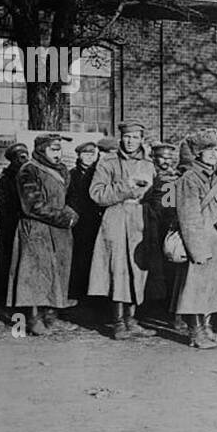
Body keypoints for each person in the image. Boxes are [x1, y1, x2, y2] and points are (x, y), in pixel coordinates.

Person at [88, 120, 156, 340]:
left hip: (139, 220)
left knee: (138, 270)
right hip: (116, 218)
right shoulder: (107, 162)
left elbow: (155, 193)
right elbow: (97, 194)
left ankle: (132, 320)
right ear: (121, 138)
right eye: (127, 137)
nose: (130, 141)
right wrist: (126, 186)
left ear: (141, 139)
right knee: (117, 270)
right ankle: (118, 323)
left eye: (135, 137)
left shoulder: (148, 164)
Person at [7, 133, 79, 335]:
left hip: (58, 231)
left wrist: (72, 213)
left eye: (59, 149)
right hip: (36, 229)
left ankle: (51, 317)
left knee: (57, 273)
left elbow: (68, 198)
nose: (58, 154)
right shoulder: (28, 170)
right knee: (34, 275)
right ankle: (32, 319)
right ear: (41, 150)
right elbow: (33, 205)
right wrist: (63, 218)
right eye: (53, 149)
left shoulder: (62, 170)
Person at [173, 129, 217, 349]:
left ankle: (208, 329)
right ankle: (195, 332)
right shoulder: (189, 178)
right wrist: (197, 250)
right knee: (194, 289)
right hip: (199, 242)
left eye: (215, 149)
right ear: (197, 153)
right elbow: (188, 216)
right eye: (207, 150)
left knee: (213, 287)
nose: (212, 153)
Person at [141, 141, 183, 331]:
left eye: (169, 157)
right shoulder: (150, 175)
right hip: (151, 226)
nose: (166, 161)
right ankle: (149, 309)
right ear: (154, 157)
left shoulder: (175, 177)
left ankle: (169, 310)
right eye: (162, 157)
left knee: (171, 270)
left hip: (168, 227)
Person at [0, 142, 29, 302]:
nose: (23, 160)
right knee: (7, 259)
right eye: (19, 157)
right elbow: (2, 203)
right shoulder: (5, 180)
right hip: (10, 225)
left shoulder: (30, 175)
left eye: (25, 156)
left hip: (26, 223)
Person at [66, 140, 103, 303]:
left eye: (91, 154)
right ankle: (77, 292)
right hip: (79, 221)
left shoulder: (99, 173)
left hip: (95, 219)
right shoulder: (72, 174)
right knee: (79, 256)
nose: (89, 158)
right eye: (85, 154)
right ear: (79, 156)